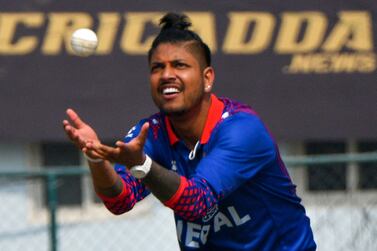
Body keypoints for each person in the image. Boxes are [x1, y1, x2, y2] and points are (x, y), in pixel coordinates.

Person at [63, 12, 316, 251]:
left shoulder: (242, 129)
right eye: (157, 68)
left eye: (180, 65)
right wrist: (95, 158)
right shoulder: (153, 132)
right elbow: (120, 201)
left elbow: (198, 203)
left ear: (207, 78)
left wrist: (142, 165)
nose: (167, 75)